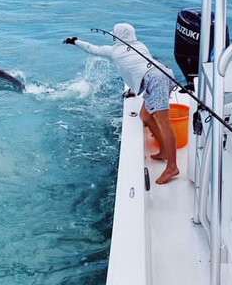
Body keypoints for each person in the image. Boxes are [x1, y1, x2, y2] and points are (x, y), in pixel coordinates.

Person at [64, 23, 179, 184]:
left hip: (156, 81)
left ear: (119, 37)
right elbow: (135, 67)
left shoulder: (115, 51)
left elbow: (92, 48)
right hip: (162, 74)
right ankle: (164, 152)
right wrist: (133, 88)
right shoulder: (140, 45)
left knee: (164, 123)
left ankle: (172, 167)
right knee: (145, 116)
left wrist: (75, 41)